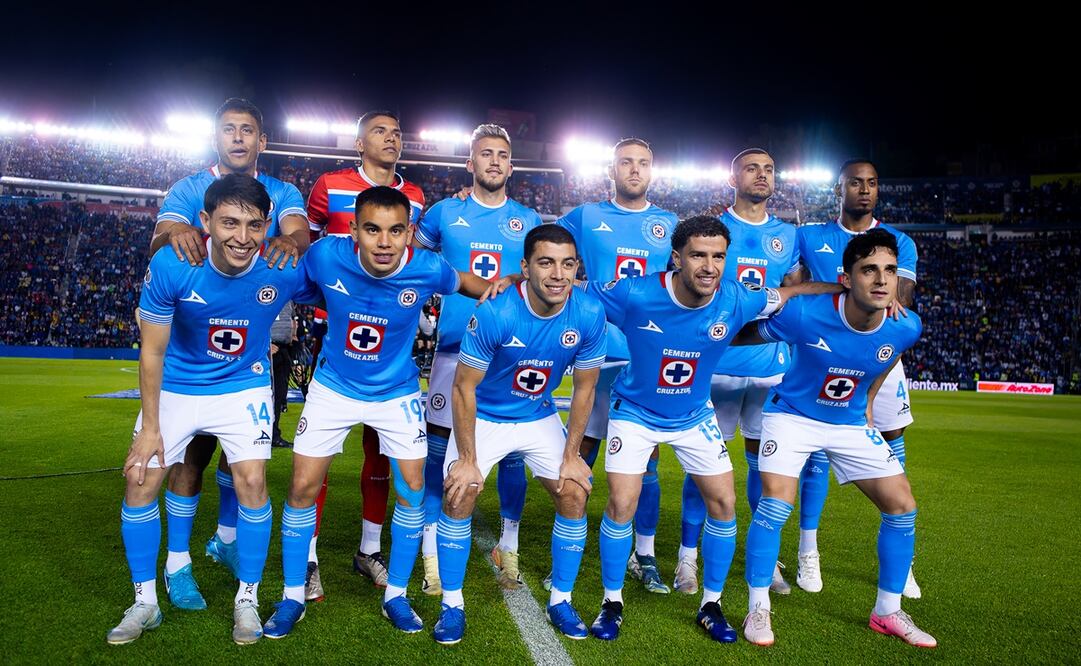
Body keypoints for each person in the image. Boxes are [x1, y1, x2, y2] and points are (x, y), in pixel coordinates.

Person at [260, 186, 511, 639]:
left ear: (410, 233)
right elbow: (285, 282)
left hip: (396, 393)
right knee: (300, 486)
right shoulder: (325, 256)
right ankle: (292, 594)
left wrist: (506, 283)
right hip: (333, 386)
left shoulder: (427, 267)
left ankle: (395, 593)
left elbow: (470, 284)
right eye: (372, 229)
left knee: (413, 490)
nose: (383, 242)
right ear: (353, 229)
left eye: (396, 231)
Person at [582, 216, 840, 642]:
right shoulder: (636, 292)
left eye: (718, 256)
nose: (709, 265)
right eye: (698, 255)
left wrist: (845, 291)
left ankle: (711, 604)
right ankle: (612, 602)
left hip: (694, 415)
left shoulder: (737, 297)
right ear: (676, 258)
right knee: (621, 503)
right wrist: (515, 278)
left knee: (724, 502)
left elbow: (792, 292)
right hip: (635, 412)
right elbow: (571, 291)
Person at [108, 174, 311, 645]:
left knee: (254, 481)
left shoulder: (284, 266)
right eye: (229, 223)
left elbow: (353, 271)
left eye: (254, 225)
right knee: (141, 476)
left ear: (267, 227)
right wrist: (150, 429)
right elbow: (152, 352)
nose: (242, 237)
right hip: (179, 384)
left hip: (242, 386)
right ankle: (144, 601)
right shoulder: (173, 264)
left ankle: (248, 599)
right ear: (205, 221)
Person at [146, 99, 310, 611]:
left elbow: (300, 233)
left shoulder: (281, 191)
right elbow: (159, 239)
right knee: (191, 458)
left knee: (246, 459)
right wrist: (185, 234)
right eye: (228, 130)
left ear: (262, 140)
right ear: (216, 138)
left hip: (250, 341)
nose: (238, 138)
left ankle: (226, 538)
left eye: (248, 130)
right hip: (191, 346)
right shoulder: (189, 187)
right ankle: (178, 565)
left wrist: (288, 240)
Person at [738, 228, 934, 648]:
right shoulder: (806, 314)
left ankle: (887, 611)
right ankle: (758, 609)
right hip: (792, 416)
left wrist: (869, 403)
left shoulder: (905, 326)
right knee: (775, 505)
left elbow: (885, 358)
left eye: (889, 271)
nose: (882, 280)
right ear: (847, 277)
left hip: (848, 423)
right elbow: (749, 334)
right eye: (869, 271)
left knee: (902, 507)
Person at [432, 224, 606, 644]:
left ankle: (560, 600)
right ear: (525, 267)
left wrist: (571, 455)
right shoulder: (496, 311)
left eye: (568, 264)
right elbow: (463, 388)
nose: (558, 274)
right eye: (546, 263)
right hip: (486, 415)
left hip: (537, 415)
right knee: (460, 491)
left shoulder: (588, 313)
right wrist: (468, 459)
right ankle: (451, 605)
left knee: (574, 489)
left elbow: (585, 389)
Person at [413, 123, 542, 593]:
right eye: (484, 154)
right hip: (453, 351)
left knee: (511, 458)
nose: (494, 161)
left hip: (513, 355)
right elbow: (414, 263)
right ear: (470, 162)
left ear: (511, 164)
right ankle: (430, 550)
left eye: (502, 155)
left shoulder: (528, 220)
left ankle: (508, 546)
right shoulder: (443, 214)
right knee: (436, 455)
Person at [303, 110, 427, 598]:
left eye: (397, 132)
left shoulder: (414, 196)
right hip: (334, 331)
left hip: (391, 335)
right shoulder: (328, 184)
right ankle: (309, 558)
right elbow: (304, 243)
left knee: (381, 452)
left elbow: (420, 251)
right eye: (380, 131)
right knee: (321, 454)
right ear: (358, 142)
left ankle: (369, 549)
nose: (391, 138)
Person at [556, 137, 679, 593]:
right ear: (611, 169)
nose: (634, 170)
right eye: (626, 162)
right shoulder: (586, 216)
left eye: (643, 163)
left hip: (649, 355)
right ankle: (567, 544)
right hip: (597, 350)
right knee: (580, 451)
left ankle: (643, 555)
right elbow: (547, 249)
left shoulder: (668, 224)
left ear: (652, 171)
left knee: (647, 460)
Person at [794, 159, 922, 596]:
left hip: (880, 355)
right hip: (824, 352)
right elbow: (797, 290)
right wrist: (844, 290)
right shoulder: (810, 236)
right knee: (817, 447)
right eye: (855, 183)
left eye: (872, 182)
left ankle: (901, 565)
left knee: (892, 435)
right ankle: (807, 552)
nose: (864, 190)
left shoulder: (899, 242)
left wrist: (844, 287)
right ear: (839, 189)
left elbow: (894, 305)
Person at [677, 149, 801, 595]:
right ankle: (687, 559)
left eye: (769, 169)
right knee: (702, 465)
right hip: (719, 366)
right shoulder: (714, 228)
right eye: (752, 168)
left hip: (769, 369)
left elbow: (799, 285)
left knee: (765, 466)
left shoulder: (789, 235)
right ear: (733, 176)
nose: (762, 175)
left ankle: (765, 561)